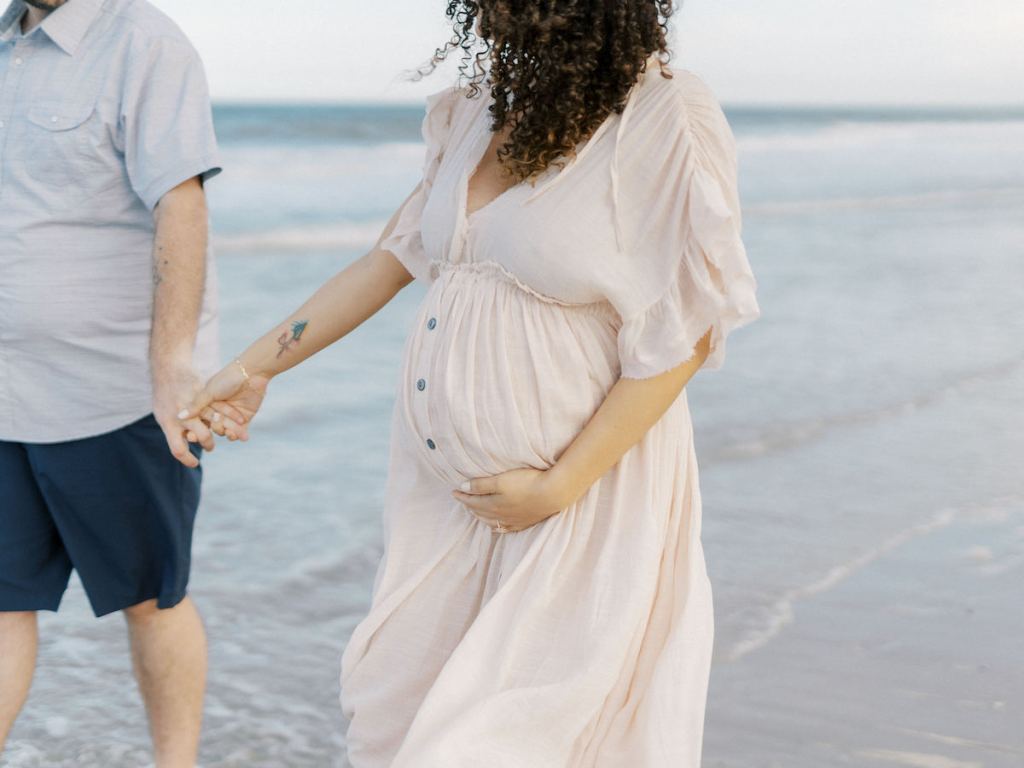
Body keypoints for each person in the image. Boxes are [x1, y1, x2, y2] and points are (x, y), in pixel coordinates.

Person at [183, 1, 759, 764]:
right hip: (443, 507)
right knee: (396, 725)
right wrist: (253, 367)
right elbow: (387, 261)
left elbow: (688, 328)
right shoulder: (482, 110)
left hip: (579, 504)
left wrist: (558, 487)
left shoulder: (664, 114)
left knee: (495, 744)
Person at [0, 0, 222, 764]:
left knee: (150, 598)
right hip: (5, 393)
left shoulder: (143, 43)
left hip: (114, 394)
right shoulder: (5, 45)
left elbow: (180, 204)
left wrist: (172, 371)